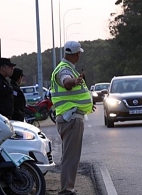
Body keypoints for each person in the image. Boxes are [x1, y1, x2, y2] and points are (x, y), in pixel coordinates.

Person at [50, 40, 95, 195]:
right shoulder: (64, 70)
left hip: (71, 117)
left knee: (70, 156)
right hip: (70, 119)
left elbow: (72, 93)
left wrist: (87, 105)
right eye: (79, 53)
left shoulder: (67, 68)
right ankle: (66, 190)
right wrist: (74, 81)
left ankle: (68, 188)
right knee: (70, 157)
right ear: (77, 54)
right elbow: (66, 82)